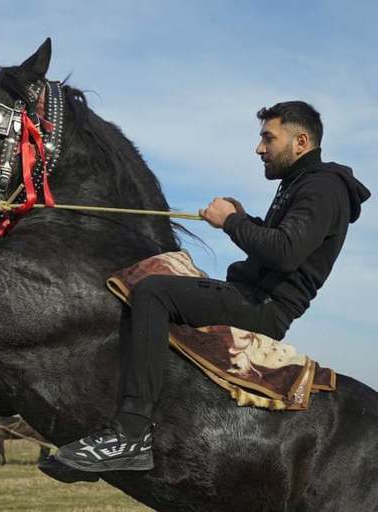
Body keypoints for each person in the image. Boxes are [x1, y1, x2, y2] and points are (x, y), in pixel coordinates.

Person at [56, 101, 370, 473]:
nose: (260, 149)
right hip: (253, 296)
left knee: (153, 292)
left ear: (301, 141)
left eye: (269, 138)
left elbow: (286, 253)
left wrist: (232, 221)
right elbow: (284, 244)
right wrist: (245, 218)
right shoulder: (302, 183)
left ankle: (132, 433)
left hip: (263, 306)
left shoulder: (323, 187)